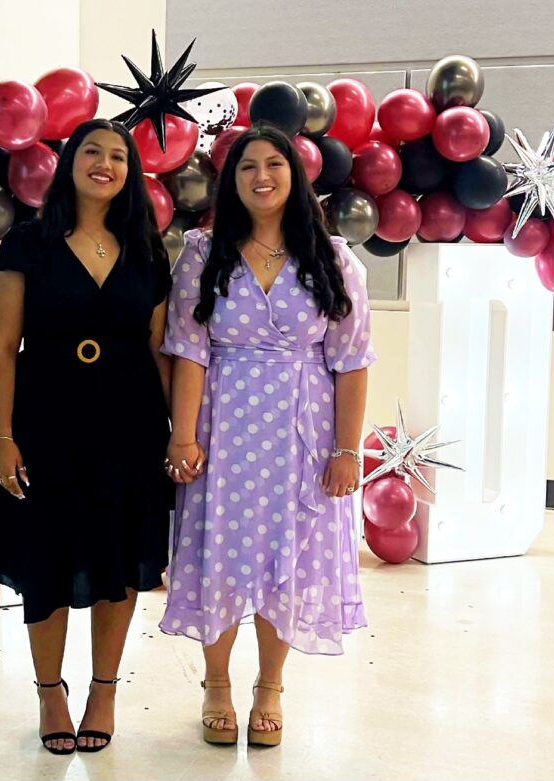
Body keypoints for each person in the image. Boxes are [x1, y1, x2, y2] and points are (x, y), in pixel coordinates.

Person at [160, 124, 376, 748]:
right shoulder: (203, 254)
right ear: (232, 181)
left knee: (290, 556)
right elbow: (188, 351)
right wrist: (181, 437)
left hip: (302, 432)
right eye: (248, 166)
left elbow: (353, 360)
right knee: (221, 553)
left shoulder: (333, 258)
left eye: (274, 164)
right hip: (220, 425)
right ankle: (218, 683)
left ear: (295, 175)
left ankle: (271, 687)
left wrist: (345, 449)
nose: (262, 176)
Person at [0, 119, 173, 755]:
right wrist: (3, 435)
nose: (106, 164)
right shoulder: (27, 243)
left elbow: (161, 349)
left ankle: (105, 690)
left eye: (119, 156)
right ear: (70, 163)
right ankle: (49, 692)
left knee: (116, 557)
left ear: (131, 173)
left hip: (131, 421)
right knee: (47, 556)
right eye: (93, 151)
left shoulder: (146, 247)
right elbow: (4, 347)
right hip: (45, 417)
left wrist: (181, 433)